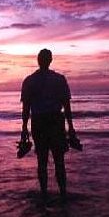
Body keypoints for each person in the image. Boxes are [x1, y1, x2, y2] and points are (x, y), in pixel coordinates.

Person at [20, 48, 78, 198]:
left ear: (38, 60)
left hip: (39, 122)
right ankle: (63, 193)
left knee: (42, 161)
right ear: (50, 60)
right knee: (59, 160)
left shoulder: (29, 80)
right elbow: (66, 106)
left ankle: (44, 193)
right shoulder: (59, 79)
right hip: (55, 122)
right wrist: (71, 127)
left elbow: (26, 108)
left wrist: (24, 128)